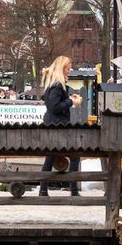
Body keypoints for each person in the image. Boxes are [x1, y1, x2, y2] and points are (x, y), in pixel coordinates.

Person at [39, 56, 83, 196]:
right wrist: (71, 101)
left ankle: (43, 189)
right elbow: (54, 106)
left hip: (53, 124)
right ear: (61, 68)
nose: (70, 71)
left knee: (50, 156)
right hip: (58, 126)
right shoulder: (57, 85)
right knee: (74, 156)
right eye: (68, 68)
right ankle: (73, 190)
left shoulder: (53, 83)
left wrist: (69, 99)